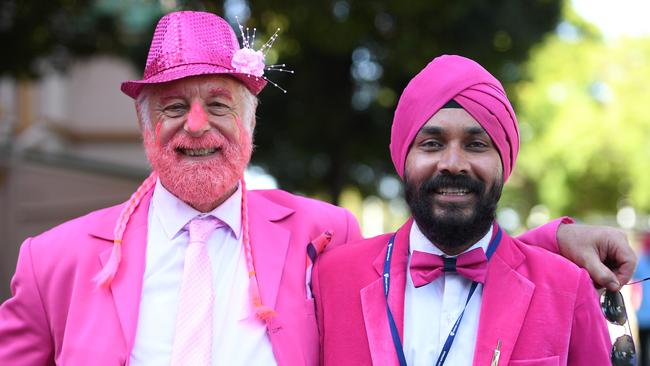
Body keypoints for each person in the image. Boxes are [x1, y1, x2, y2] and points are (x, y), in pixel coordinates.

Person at [0, 11, 632, 366]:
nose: (197, 127)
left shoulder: (319, 237)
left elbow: (448, 252)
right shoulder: (54, 260)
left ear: (250, 122)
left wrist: (557, 239)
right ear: (144, 126)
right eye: (172, 107)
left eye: (219, 104)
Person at [313, 55, 612, 365]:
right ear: (404, 158)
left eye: (476, 145)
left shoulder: (567, 287)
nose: (453, 164)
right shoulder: (332, 278)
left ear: (504, 162)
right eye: (431, 143)